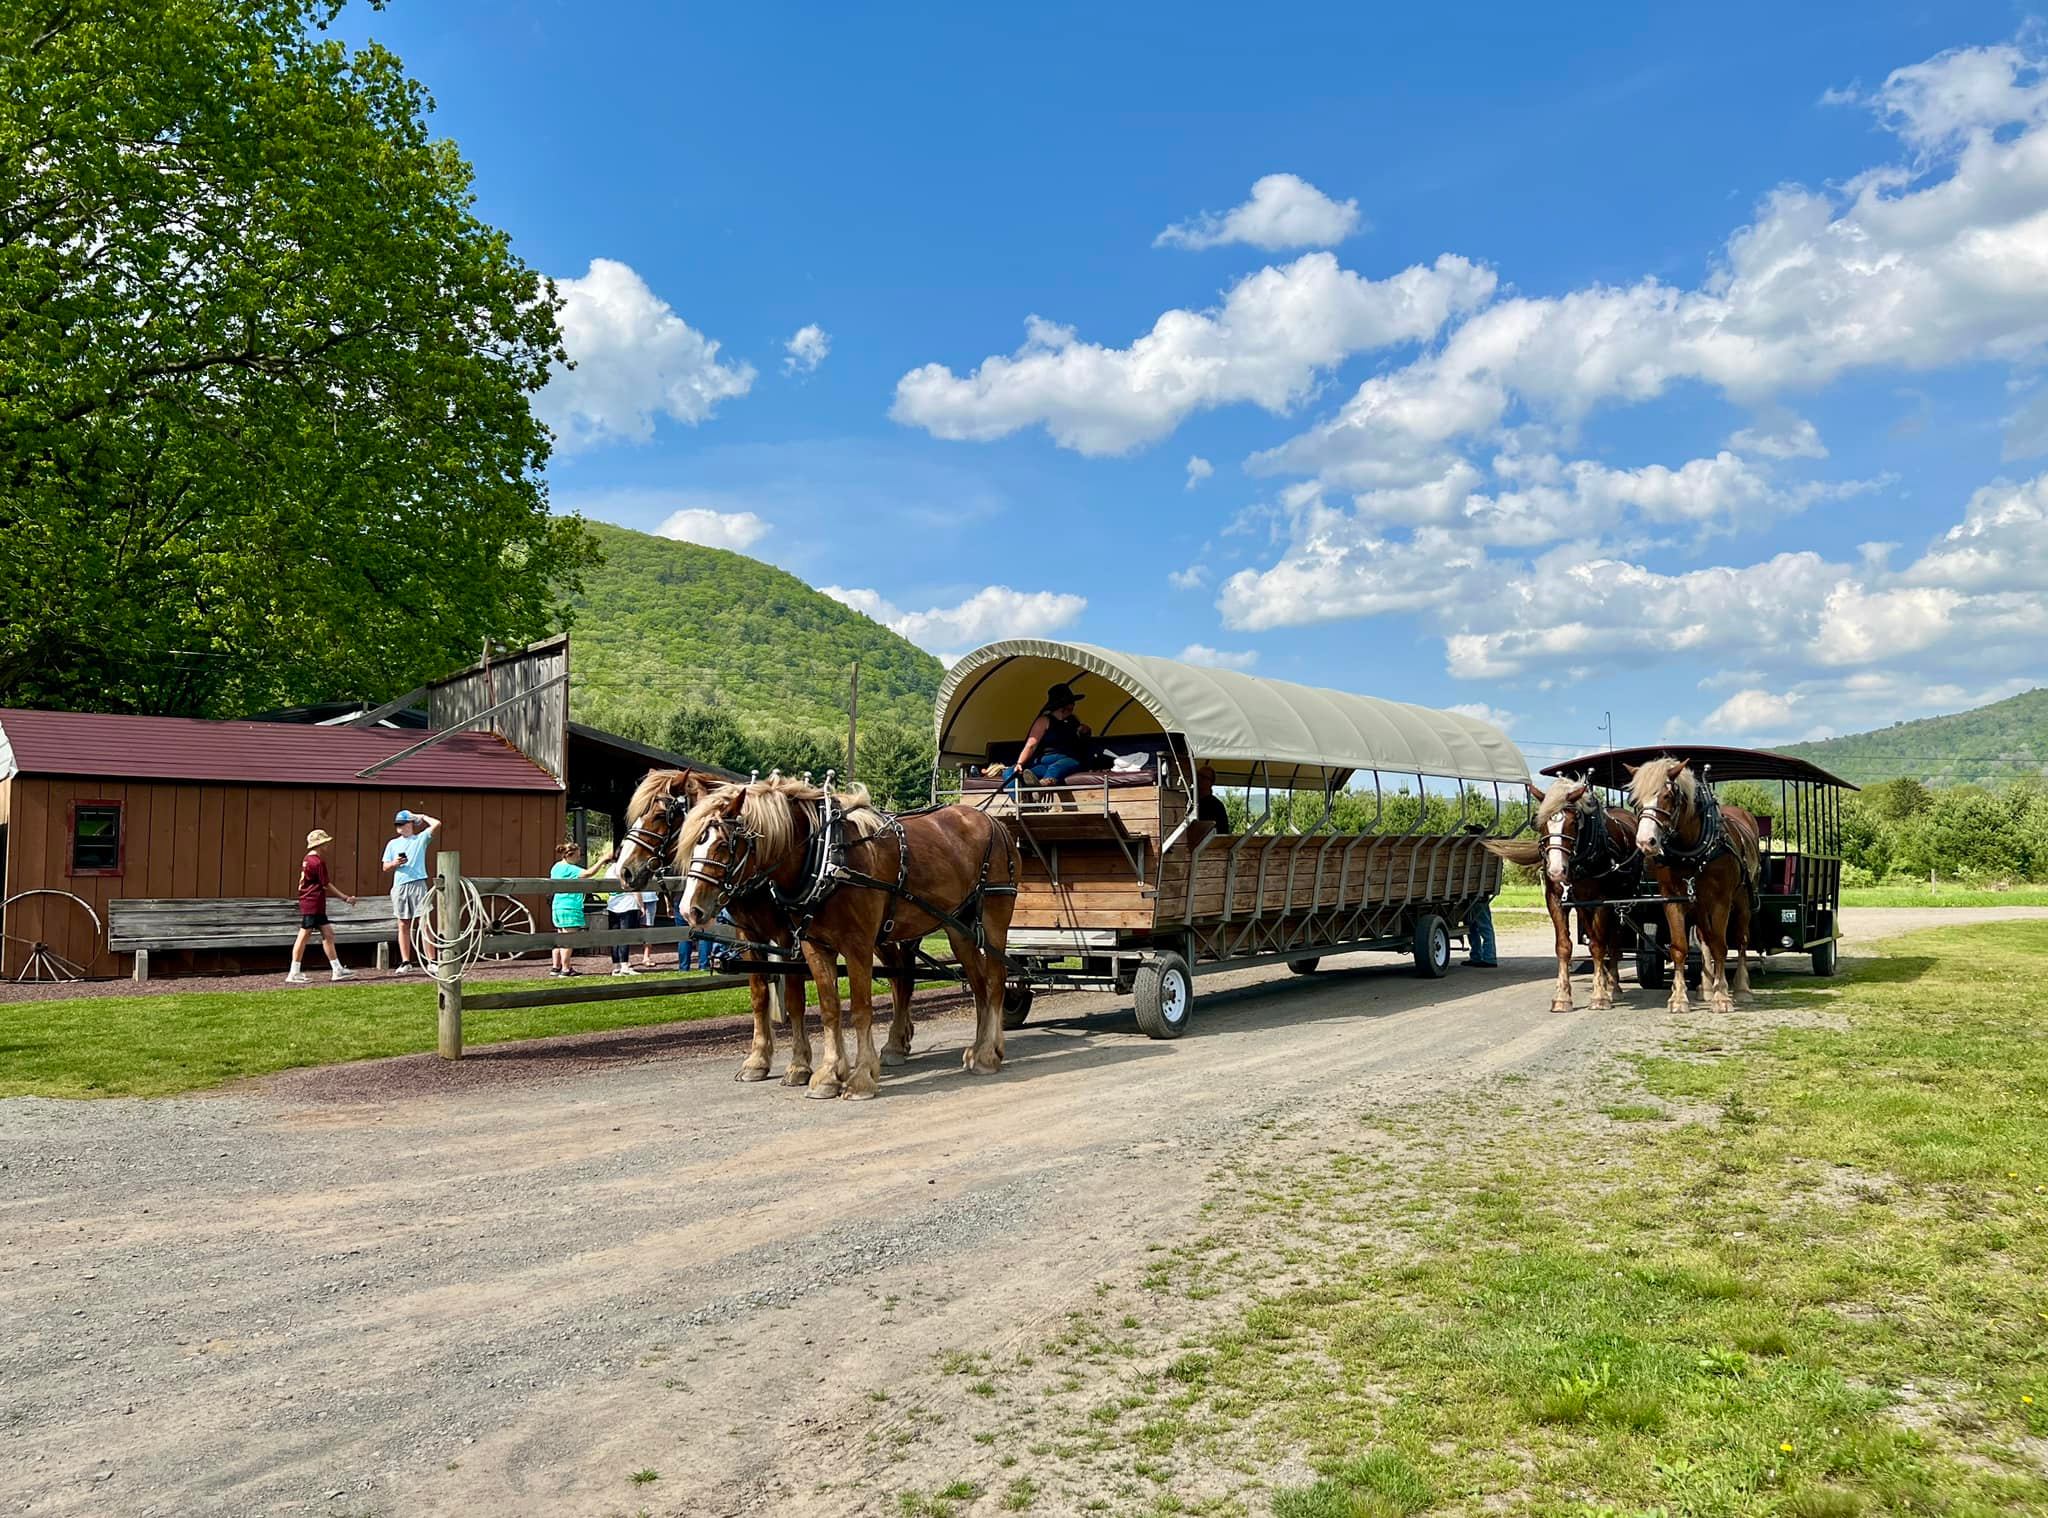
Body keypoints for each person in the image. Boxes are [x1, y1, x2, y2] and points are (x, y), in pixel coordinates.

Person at [987, 683, 1099, 791]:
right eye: (1071, 703)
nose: (1073, 706)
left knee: (1056, 768)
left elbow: (1083, 738)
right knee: (1010, 773)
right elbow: (1031, 745)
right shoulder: (1044, 720)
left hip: (1068, 759)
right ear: (1062, 706)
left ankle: (1043, 786)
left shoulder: (1073, 721)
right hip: (1045, 761)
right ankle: (1022, 801)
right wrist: (1020, 764)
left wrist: (1085, 731)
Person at [287, 828, 357, 984]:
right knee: (304, 936)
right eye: (325, 842)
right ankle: (294, 972)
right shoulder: (317, 862)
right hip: (312, 903)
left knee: (328, 934)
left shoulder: (307, 859)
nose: (327, 845)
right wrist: (345, 898)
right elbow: (326, 884)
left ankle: (337, 969)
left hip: (314, 903)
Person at [381, 809, 442, 973]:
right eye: (397, 824)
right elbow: (385, 867)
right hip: (400, 886)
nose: (399, 827)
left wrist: (421, 816)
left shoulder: (420, 839)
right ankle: (406, 962)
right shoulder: (392, 844)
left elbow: (437, 824)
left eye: (402, 823)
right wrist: (395, 863)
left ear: (410, 824)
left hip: (418, 883)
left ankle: (432, 961)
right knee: (403, 924)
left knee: (424, 923)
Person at [549, 841, 610, 977]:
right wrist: (602, 860)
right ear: (570, 855)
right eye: (578, 855)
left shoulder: (556, 867)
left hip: (557, 906)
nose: (579, 858)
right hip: (570, 906)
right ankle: (566, 969)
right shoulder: (572, 869)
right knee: (568, 939)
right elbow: (589, 873)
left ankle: (555, 967)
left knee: (559, 937)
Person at [1463, 821, 1500, 967]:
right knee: (1473, 925)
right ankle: (1478, 956)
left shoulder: (1474, 852)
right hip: (1478, 892)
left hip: (1476, 893)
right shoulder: (1487, 852)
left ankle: (1489, 957)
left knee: (1482, 925)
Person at [605, 874, 644, 976]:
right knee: (625, 937)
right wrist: (641, 905)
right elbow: (635, 889)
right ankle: (625, 966)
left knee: (614, 937)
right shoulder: (627, 870)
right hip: (628, 905)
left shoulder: (609, 871)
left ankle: (616, 966)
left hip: (612, 905)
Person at [1194, 764, 1232, 833]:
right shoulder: (1188, 800)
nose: (1199, 779)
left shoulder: (1217, 806)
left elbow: (1223, 831)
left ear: (1211, 782)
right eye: (1197, 775)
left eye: (1203, 777)